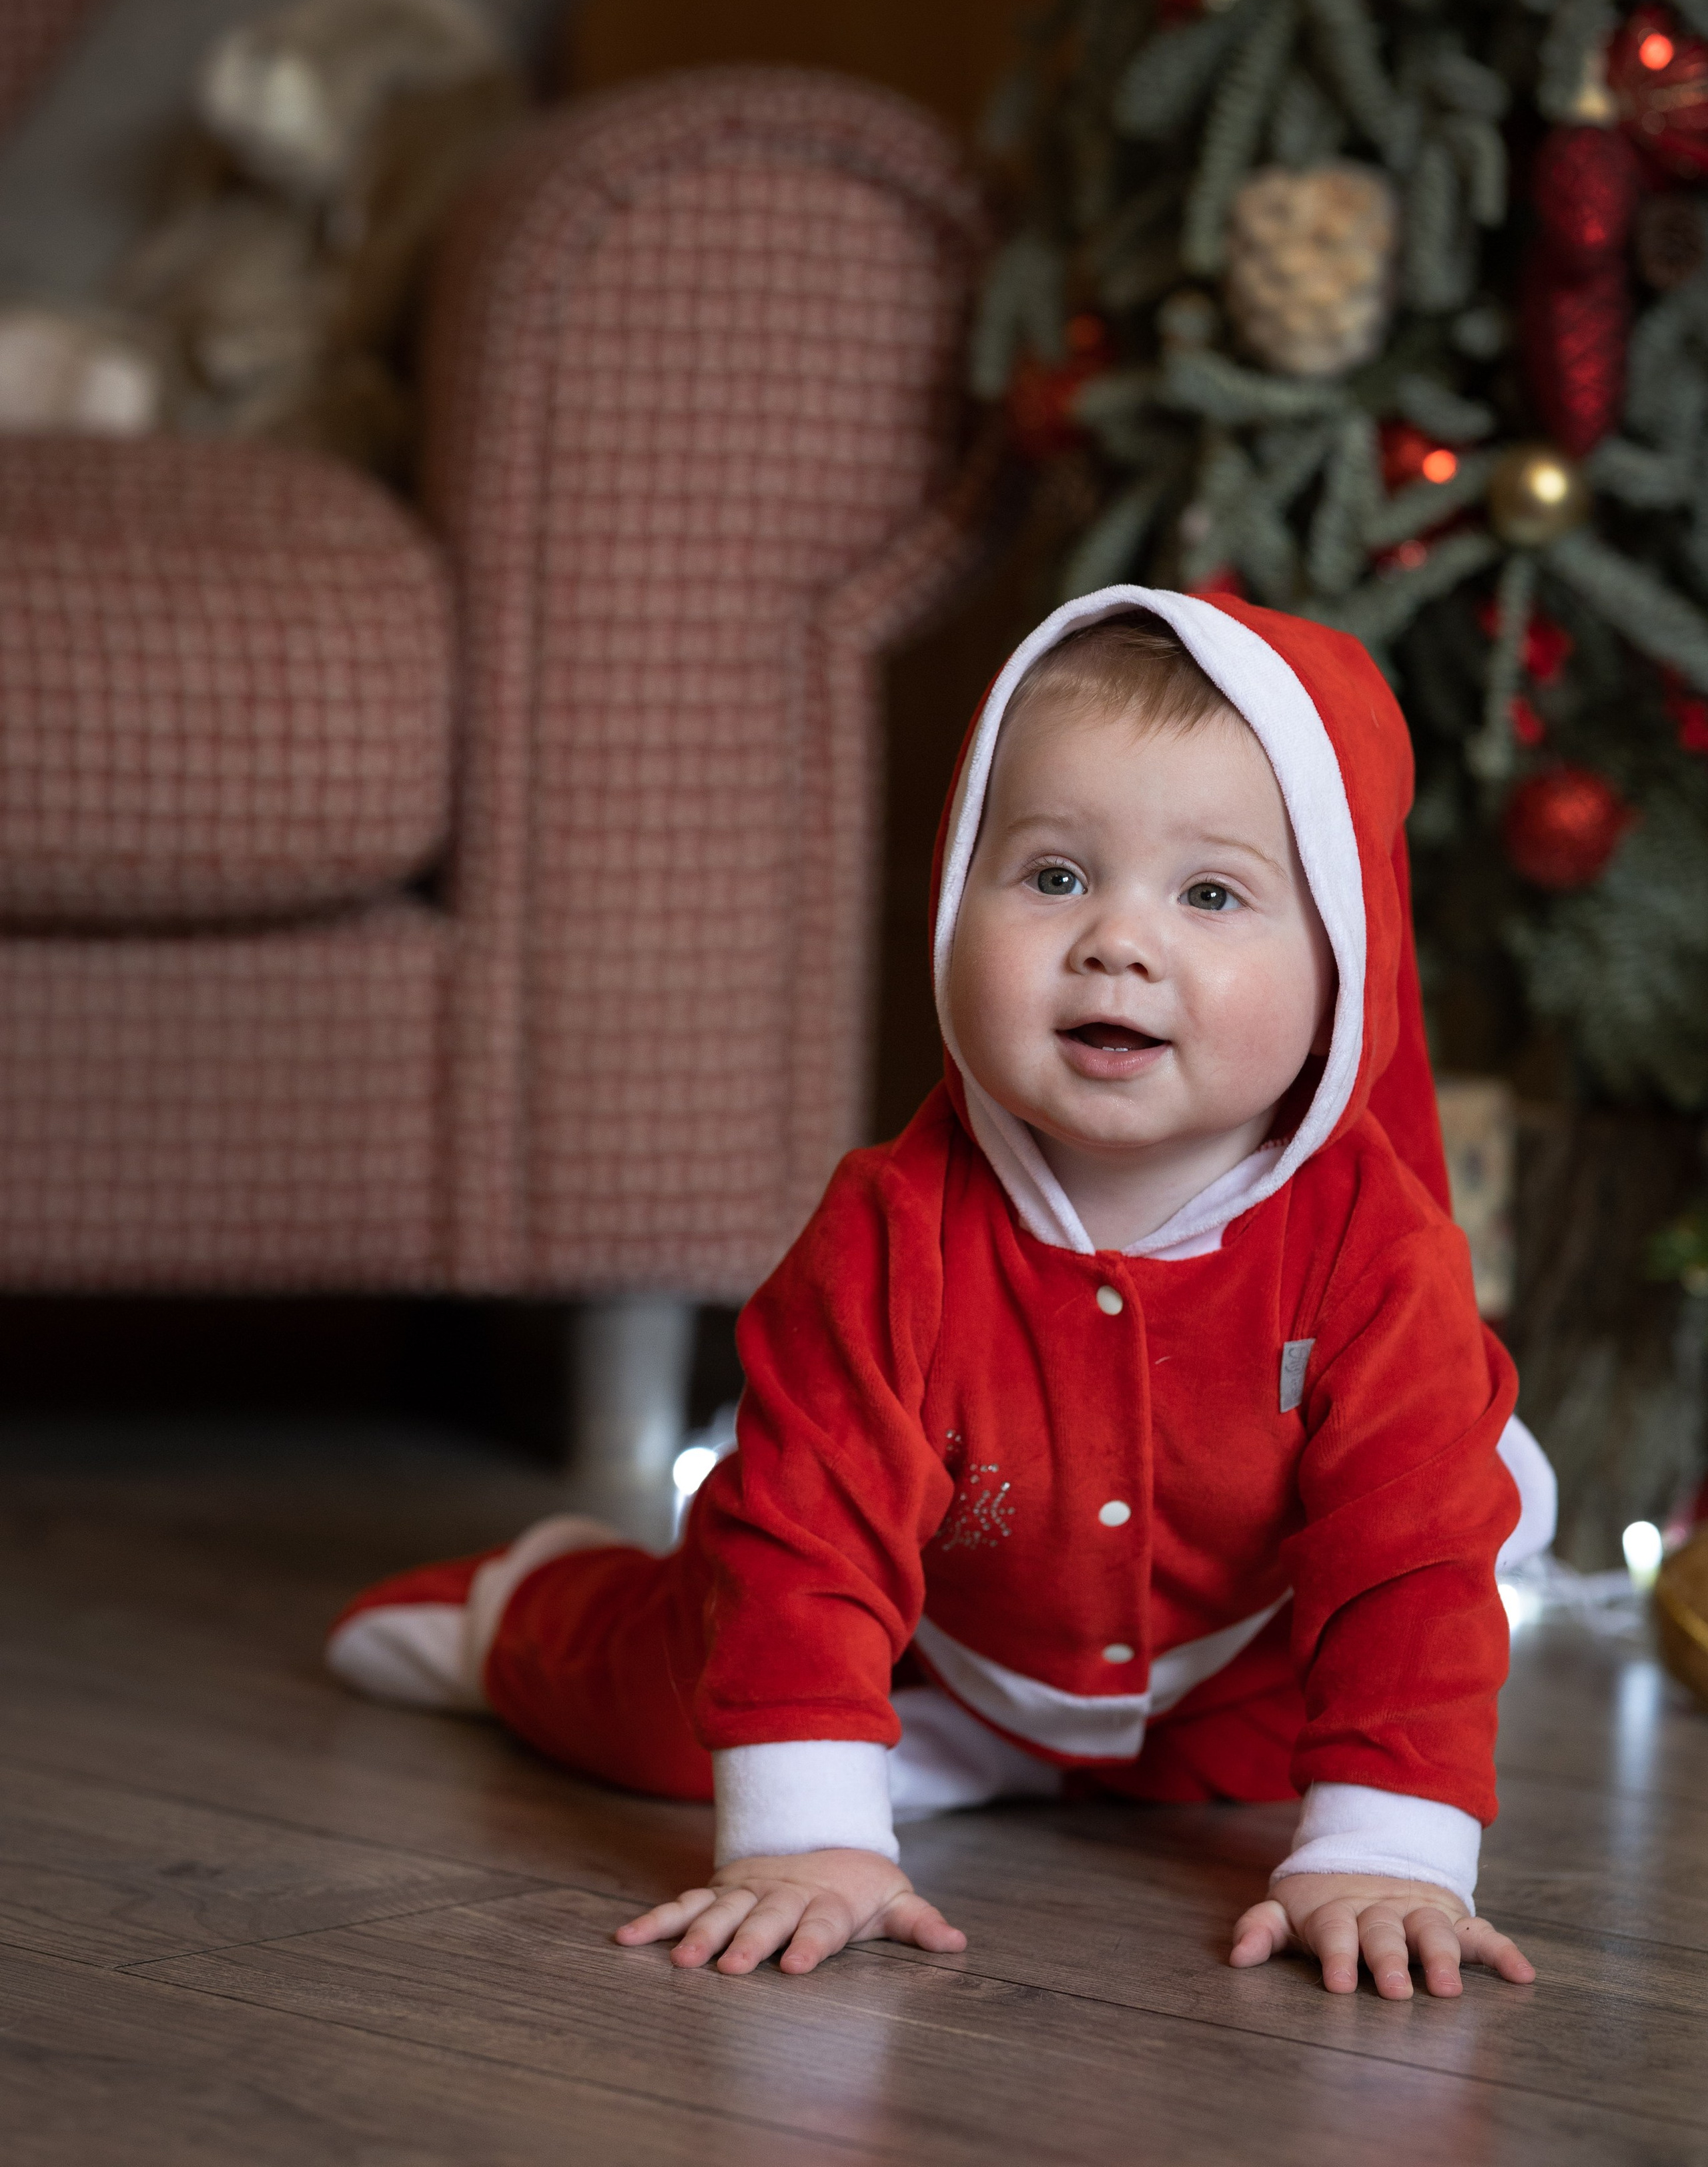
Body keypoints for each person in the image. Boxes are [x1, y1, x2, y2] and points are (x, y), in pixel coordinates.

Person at [328, 586, 1553, 2002]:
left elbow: (1402, 1559)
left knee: (1343, 1734)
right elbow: (810, 1539)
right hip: (929, 1664)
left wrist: (1388, 1851)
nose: (1115, 942)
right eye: (1048, 877)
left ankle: (1262, 1788)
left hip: (1223, 1682)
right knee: (691, 1714)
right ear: (949, 895)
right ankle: (524, 1611)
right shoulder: (889, 1228)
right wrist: (810, 1840)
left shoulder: (1371, 1245)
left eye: (1210, 894)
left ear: (1341, 957)